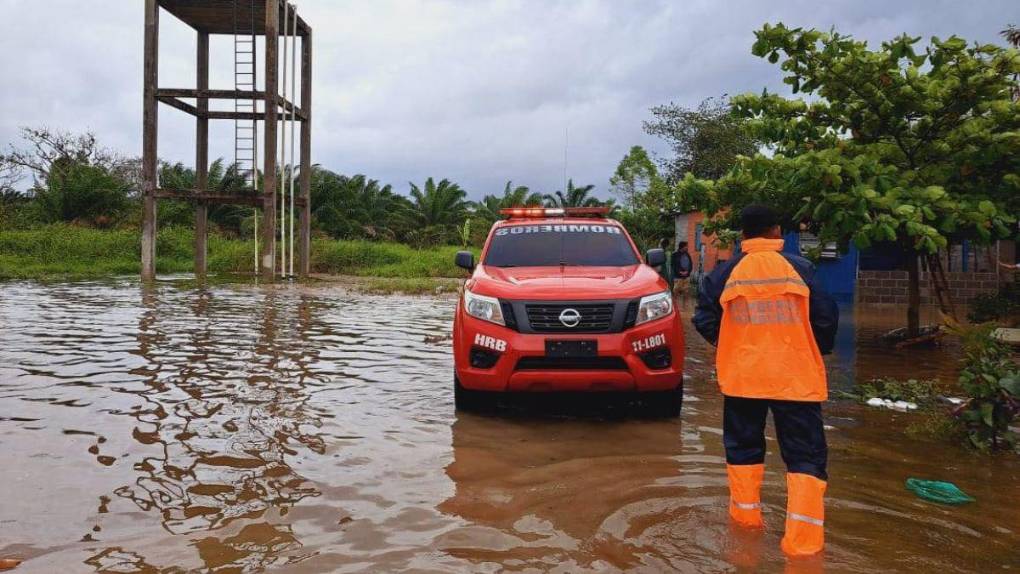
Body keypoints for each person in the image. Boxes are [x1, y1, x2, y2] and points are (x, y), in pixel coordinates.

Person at [693, 204, 838, 557]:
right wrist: (807, 348)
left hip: (743, 378)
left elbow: (704, 319)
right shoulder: (801, 269)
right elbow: (825, 320)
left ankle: (745, 535)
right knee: (805, 458)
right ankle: (803, 548)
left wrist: (732, 344)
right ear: (777, 231)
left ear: (742, 234)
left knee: (743, 451)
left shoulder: (723, 274)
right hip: (796, 379)